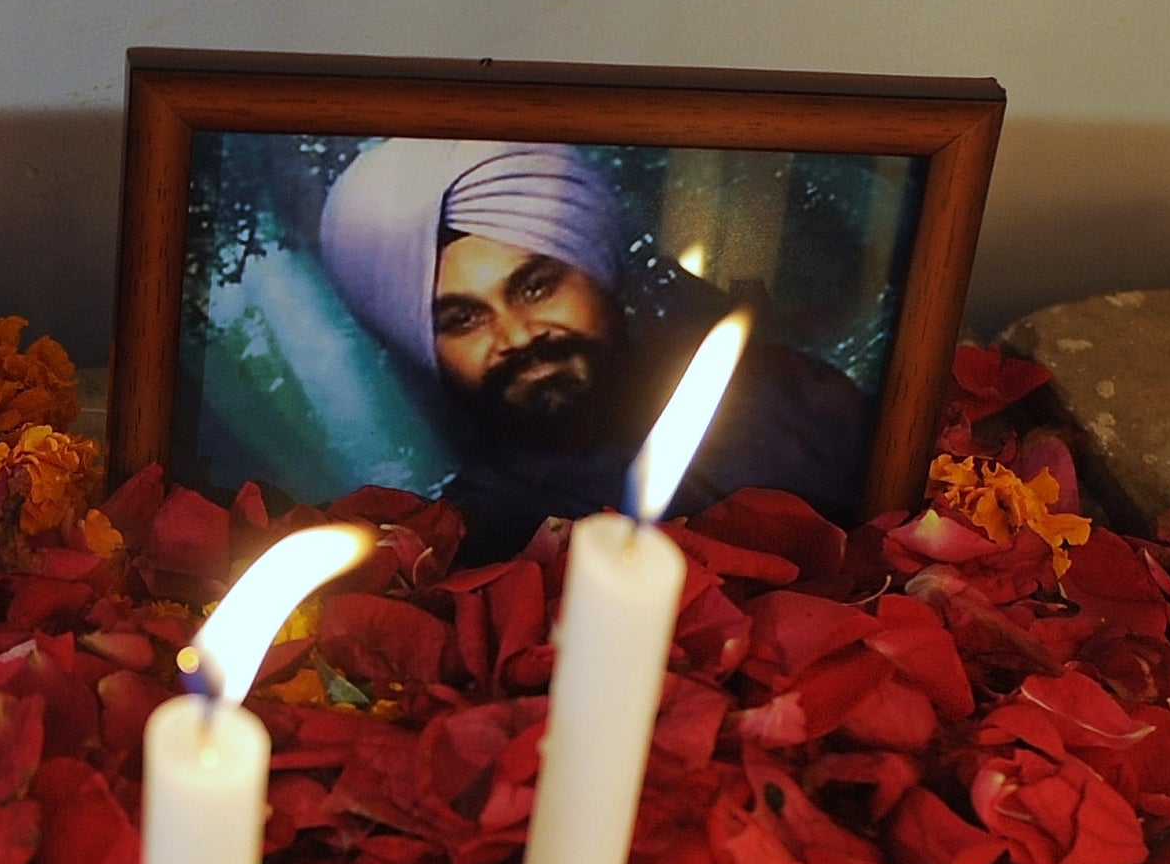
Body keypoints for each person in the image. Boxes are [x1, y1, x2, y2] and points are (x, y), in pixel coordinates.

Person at [314, 137, 871, 560]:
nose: (519, 336)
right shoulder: (469, 541)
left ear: (599, 273)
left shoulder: (785, 399)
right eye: (463, 318)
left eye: (535, 286)